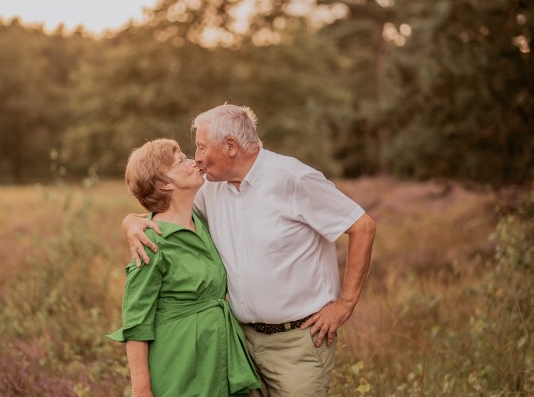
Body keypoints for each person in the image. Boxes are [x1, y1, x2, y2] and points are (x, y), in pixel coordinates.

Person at [123, 104, 376, 396]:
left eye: (202, 147)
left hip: (296, 344)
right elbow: (164, 213)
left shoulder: (293, 178)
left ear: (230, 146)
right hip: (237, 343)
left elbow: (363, 226)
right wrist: (129, 222)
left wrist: (345, 302)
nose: (198, 159)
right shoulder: (210, 190)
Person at [108, 138, 260, 397]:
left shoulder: (202, 222)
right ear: (165, 183)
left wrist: (129, 220)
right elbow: (136, 321)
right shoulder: (152, 241)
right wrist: (141, 390)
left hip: (217, 355)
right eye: (181, 161)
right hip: (180, 361)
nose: (194, 161)